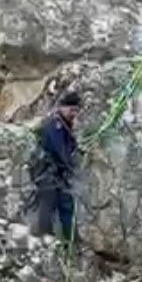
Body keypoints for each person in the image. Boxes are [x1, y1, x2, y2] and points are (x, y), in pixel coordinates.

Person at [31, 88, 81, 249]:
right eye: (71, 110)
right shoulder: (54, 125)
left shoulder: (65, 125)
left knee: (67, 205)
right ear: (62, 107)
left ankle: (72, 241)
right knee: (48, 202)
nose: (73, 113)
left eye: (76, 110)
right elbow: (59, 150)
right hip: (47, 172)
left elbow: (69, 147)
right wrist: (71, 166)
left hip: (59, 174)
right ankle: (44, 238)